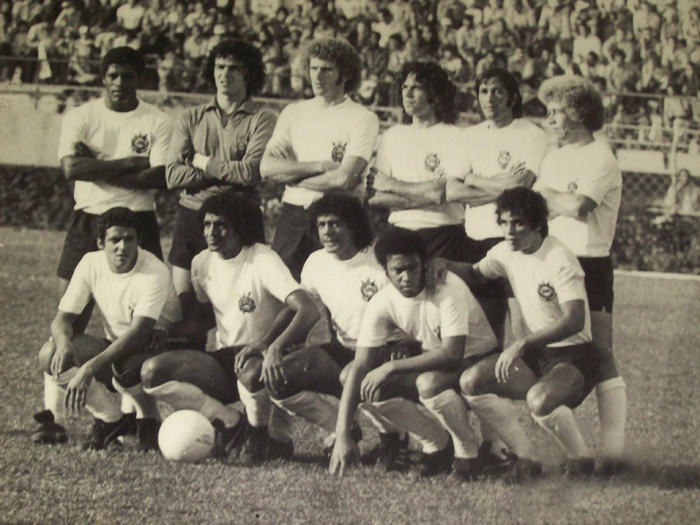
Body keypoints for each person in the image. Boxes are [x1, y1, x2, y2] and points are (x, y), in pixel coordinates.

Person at [140, 194, 320, 465]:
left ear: (240, 228)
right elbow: (207, 316)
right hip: (230, 359)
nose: (212, 233)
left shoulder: (262, 259)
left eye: (221, 225)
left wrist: (270, 344)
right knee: (153, 371)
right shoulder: (201, 262)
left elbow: (306, 309)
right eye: (207, 225)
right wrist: (168, 331)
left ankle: (259, 435)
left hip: (270, 362)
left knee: (250, 370)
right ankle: (231, 424)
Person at [439, 188, 598, 479]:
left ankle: (581, 458)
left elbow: (575, 320)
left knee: (539, 401)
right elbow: (475, 273)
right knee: (472, 381)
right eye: (504, 223)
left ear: (537, 223)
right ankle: (524, 456)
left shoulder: (559, 257)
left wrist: (523, 342)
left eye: (518, 223)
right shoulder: (504, 252)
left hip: (572, 356)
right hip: (534, 354)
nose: (509, 231)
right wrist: (442, 264)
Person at [329, 228, 499, 479]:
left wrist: (391, 367)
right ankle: (438, 445)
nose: (407, 277)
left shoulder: (446, 286)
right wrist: (342, 434)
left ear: (424, 264)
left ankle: (467, 452)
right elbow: (360, 365)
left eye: (413, 267)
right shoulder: (382, 301)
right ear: (385, 272)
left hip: (479, 359)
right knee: (357, 380)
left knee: (428, 382)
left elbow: (453, 354)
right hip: (439, 361)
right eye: (398, 270)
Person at [534, 76, 627, 475]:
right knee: (553, 350)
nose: (550, 119)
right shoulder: (553, 158)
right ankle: (577, 450)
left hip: (590, 263)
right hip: (554, 261)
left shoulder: (601, 157)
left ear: (577, 113)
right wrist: (550, 198)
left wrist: (547, 195)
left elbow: (577, 206)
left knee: (601, 353)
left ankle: (614, 451)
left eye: (556, 111)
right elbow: (544, 206)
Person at [31, 208, 181, 451]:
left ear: (138, 241)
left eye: (129, 239)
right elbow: (61, 320)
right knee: (50, 353)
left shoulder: (153, 270)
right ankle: (111, 419)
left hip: (161, 348)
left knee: (129, 363)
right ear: (101, 243)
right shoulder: (91, 262)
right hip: (120, 347)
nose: (123, 247)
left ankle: (148, 421)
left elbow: (140, 333)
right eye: (115, 240)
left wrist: (89, 368)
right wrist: (64, 342)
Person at [56, 46, 172, 333]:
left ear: (140, 79)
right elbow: (72, 169)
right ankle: (62, 375)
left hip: (138, 218)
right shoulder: (80, 116)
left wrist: (94, 166)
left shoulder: (157, 120)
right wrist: (132, 162)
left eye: (128, 77)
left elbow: (157, 177)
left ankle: (131, 377)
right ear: (103, 78)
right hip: (89, 216)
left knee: (143, 315)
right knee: (72, 313)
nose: (120, 83)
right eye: (114, 76)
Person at [268, 194, 384, 458]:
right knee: (278, 376)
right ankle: (342, 428)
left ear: (353, 225)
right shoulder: (316, 261)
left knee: (366, 380)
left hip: (385, 351)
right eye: (321, 225)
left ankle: (400, 440)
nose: (327, 232)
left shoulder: (379, 258)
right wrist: (272, 345)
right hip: (345, 350)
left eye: (335, 224)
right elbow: (300, 308)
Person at [165, 39, 274, 317]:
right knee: (187, 313)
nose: (225, 74)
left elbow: (250, 173)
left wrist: (200, 161)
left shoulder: (263, 119)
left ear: (248, 73)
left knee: (244, 310)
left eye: (234, 68)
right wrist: (227, 173)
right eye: (220, 66)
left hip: (240, 219)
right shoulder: (191, 116)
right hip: (191, 217)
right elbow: (173, 175)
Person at [260, 37, 379, 280]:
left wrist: (292, 175)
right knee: (285, 292)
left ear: (344, 74)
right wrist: (321, 166)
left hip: (338, 217)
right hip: (293, 215)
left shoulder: (362, 118)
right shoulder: (293, 112)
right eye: (313, 68)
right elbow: (266, 168)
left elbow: (345, 179)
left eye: (326, 69)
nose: (317, 76)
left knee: (336, 295)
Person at [367, 61, 471, 262]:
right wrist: (427, 194)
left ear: (434, 93)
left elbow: (440, 192)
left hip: (443, 233)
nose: (408, 94)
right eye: (405, 87)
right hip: (399, 231)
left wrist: (390, 185)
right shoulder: (392, 135)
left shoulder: (456, 136)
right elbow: (375, 196)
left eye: (416, 88)